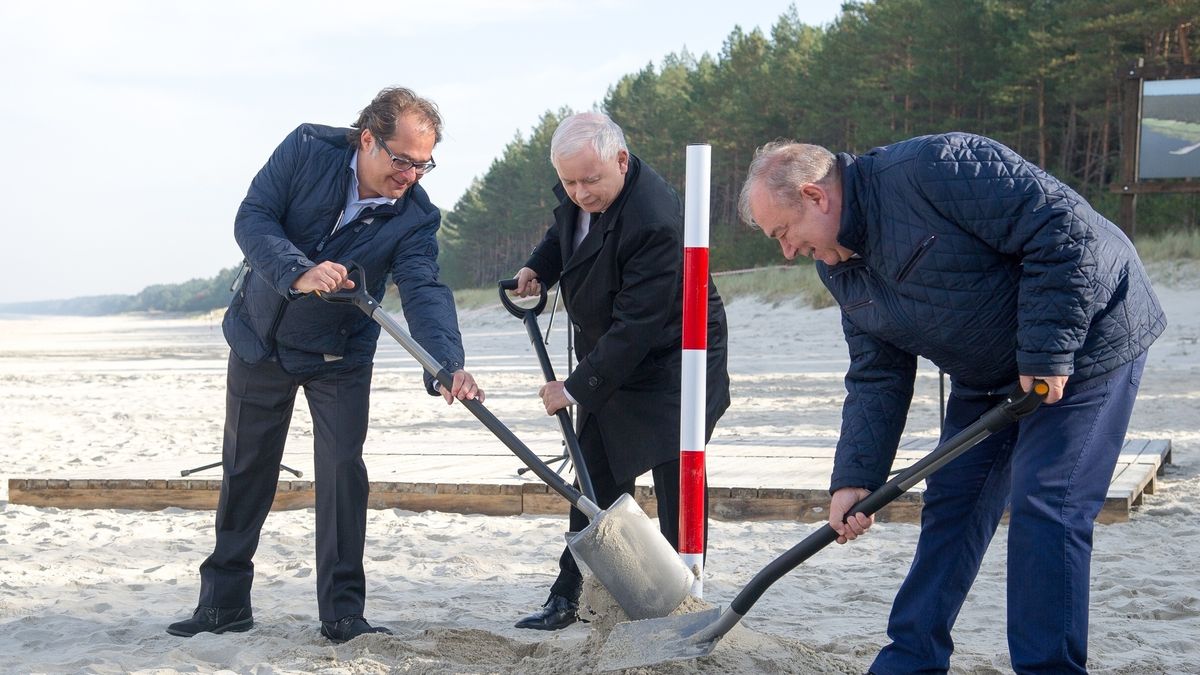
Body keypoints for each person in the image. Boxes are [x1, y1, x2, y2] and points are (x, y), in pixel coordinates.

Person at [739, 132, 1166, 674]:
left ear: (815, 196)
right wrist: (855, 476)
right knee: (953, 506)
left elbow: (1064, 229)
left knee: (1046, 504)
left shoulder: (934, 167)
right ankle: (911, 660)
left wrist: (1046, 348)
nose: (787, 250)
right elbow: (877, 374)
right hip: (988, 369)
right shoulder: (836, 266)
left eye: (784, 232)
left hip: (1087, 337)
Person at [167, 87, 482, 644]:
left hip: (340, 354)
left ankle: (342, 615)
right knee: (246, 471)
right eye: (402, 160)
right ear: (368, 139)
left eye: (423, 164)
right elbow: (254, 217)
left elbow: (425, 289)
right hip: (260, 337)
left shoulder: (416, 217)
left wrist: (446, 363)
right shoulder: (307, 147)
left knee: (342, 477)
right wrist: (299, 269)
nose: (411, 174)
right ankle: (223, 606)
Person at [510, 112, 731, 630]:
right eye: (569, 182)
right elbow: (566, 229)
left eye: (591, 181)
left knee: (677, 473)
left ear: (621, 161)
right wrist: (538, 267)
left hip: (674, 359)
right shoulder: (582, 185)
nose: (580, 192)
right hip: (615, 353)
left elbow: (639, 325)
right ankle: (570, 597)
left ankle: (682, 598)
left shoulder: (654, 217)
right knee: (595, 474)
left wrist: (574, 387)